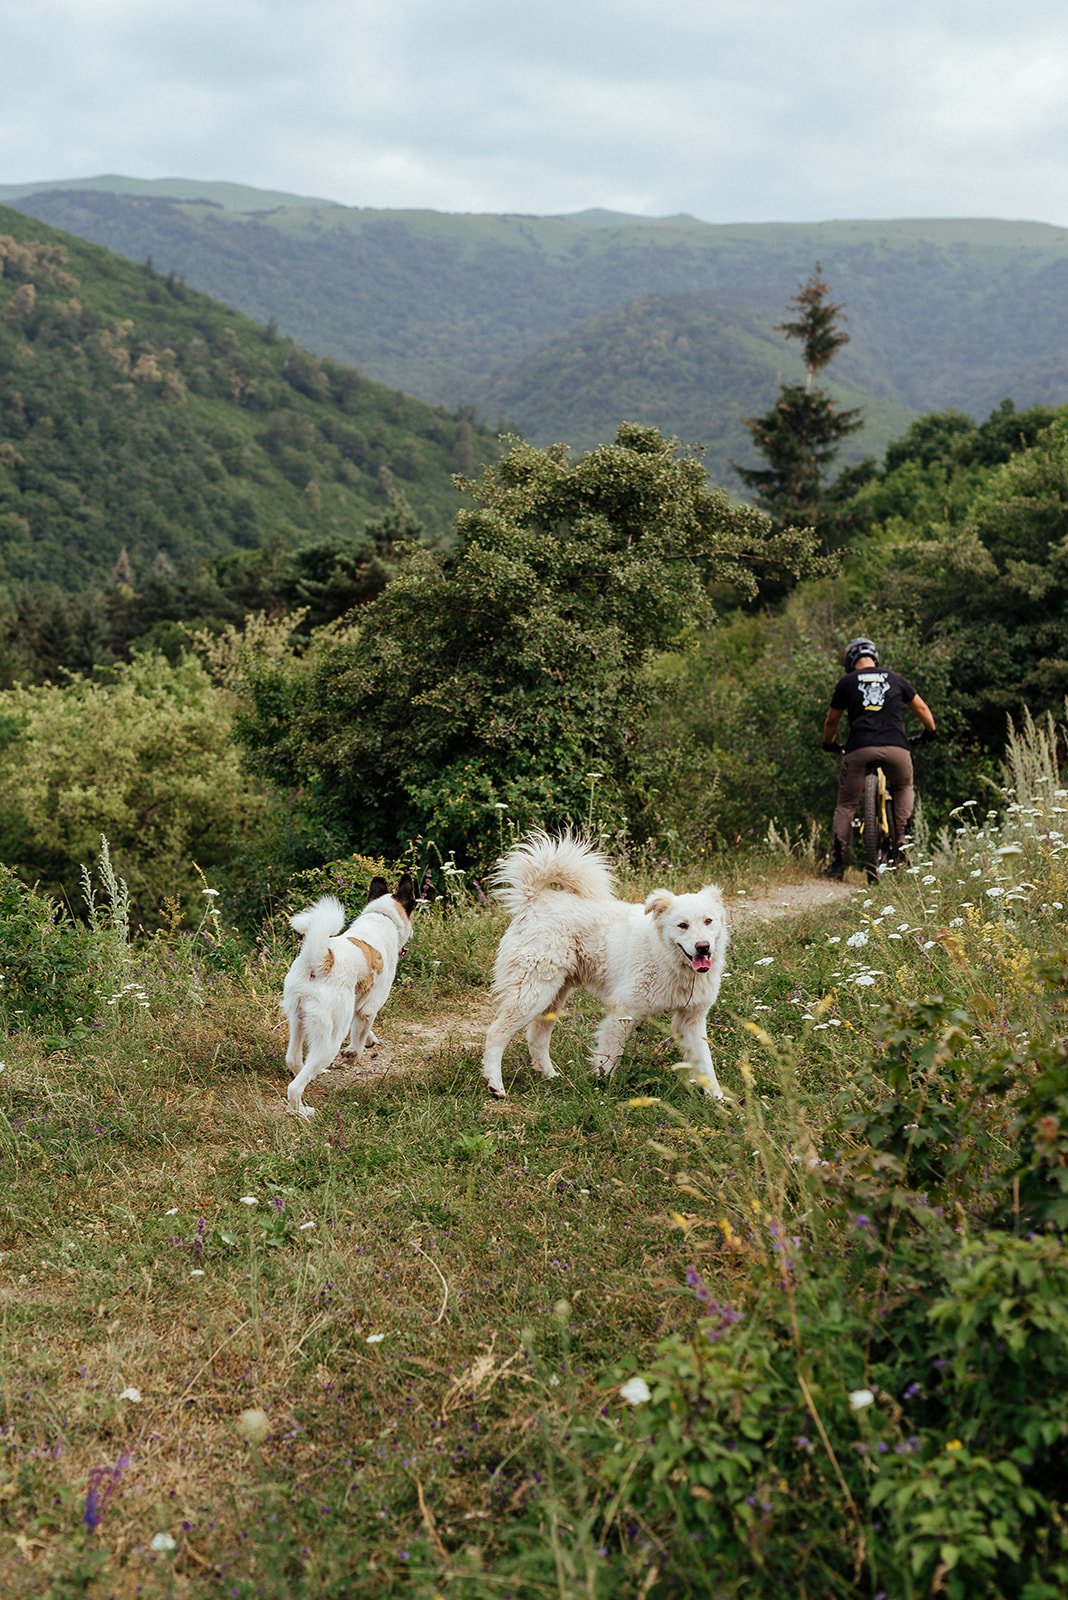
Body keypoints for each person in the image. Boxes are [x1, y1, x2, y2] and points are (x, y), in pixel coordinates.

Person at [821, 636, 937, 880]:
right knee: (904, 786)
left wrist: (829, 743)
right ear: (875, 657)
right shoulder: (896, 678)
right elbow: (923, 710)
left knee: (846, 804)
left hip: (859, 748)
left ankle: (838, 864)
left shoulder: (847, 682)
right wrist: (929, 733)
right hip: (897, 747)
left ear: (851, 660)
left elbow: (832, 720)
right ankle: (903, 836)